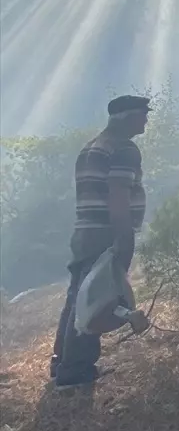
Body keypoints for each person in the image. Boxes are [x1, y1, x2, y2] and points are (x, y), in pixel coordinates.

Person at [51, 95, 151, 389]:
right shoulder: (124, 149)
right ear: (127, 118)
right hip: (105, 234)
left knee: (77, 298)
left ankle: (62, 363)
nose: (146, 120)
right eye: (143, 115)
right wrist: (124, 239)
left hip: (84, 232)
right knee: (96, 299)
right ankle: (76, 371)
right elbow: (118, 195)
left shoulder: (91, 148)